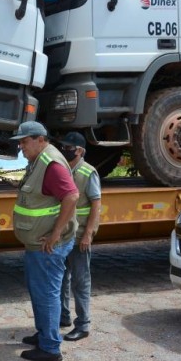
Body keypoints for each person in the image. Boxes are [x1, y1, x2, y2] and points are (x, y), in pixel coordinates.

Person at [11, 121, 79, 361]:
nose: (21, 146)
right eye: (19, 142)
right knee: (41, 292)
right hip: (39, 244)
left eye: (25, 141)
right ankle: (44, 336)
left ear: (41, 139)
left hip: (48, 245)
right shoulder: (40, 160)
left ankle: (50, 348)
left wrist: (55, 234)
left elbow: (71, 196)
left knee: (46, 294)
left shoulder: (51, 164)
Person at [57, 132, 101, 342]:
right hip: (64, 235)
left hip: (80, 236)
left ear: (80, 150)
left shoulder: (87, 172)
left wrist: (88, 234)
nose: (65, 150)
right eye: (64, 146)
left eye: (69, 147)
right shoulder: (64, 169)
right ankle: (63, 317)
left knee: (80, 281)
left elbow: (96, 205)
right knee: (62, 278)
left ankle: (83, 325)